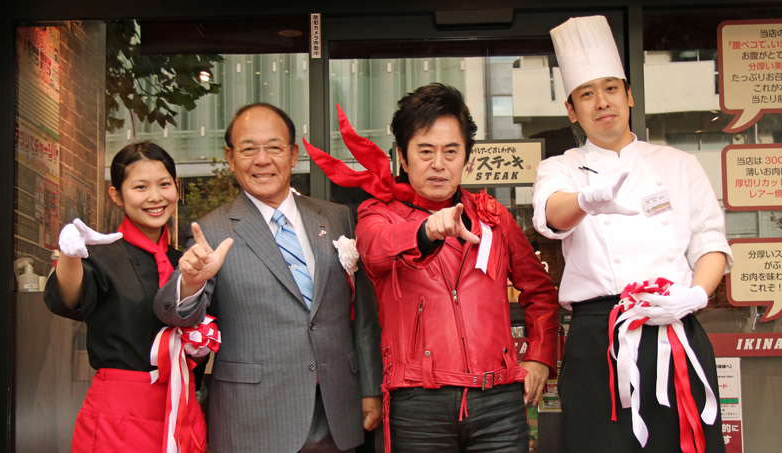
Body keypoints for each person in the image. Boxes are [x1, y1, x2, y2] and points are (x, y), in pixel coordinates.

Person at [303, 83, 560, 453]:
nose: (438, 164)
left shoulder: (494, 217)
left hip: (499, 401)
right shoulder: (378, 213)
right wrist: (426, 231)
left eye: (451, 151)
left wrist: (538, 357)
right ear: (403, 159)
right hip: (418, 403)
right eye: (425, 151)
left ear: (467, 159)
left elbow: (540, 291)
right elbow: (374, 251)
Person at [532, 16, 733, 453]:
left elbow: (711, 243)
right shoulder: (560, 168)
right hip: (597, 339)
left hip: (675, 328)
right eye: (586, 93)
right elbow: (551, 214)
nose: (601, 102)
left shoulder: (679, 164)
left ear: (629, 95)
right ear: (571, 109)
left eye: (610, 88)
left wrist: (696, 296)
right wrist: (588, 199)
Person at [154, 103, 383, 453]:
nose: (262, 160)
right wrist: (191, 282)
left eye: (274, 147)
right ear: (230, 158)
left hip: (337, 409)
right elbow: (173, 313)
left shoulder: (337, 218)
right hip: (253, 416)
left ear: (293, 155)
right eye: (248, 149)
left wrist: (370, 387)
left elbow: (364, 314)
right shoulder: (212, 229)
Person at [44, 142, 210, 453]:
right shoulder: (100, 255)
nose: (155, 197)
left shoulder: (186, 261)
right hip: (118, 414)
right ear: (116, 195)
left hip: (183, 408)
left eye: (164, 185)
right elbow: (67, 298)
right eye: (140, 187)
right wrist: (70, 257)